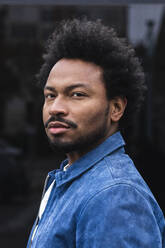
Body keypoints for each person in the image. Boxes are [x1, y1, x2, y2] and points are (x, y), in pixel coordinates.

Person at [27, 18, 165, 248]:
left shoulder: (114, 197)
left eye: (77, 94)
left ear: (116, 108)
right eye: (51, 95)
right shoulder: (71, 178)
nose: (56, 107)